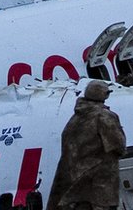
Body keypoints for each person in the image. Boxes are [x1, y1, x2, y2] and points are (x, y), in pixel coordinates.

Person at [46, 80, 124, 210]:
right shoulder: (104, 116)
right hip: (99, 186)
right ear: (104, 95)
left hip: (74, 186)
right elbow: (118, 145)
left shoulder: (74, 119)